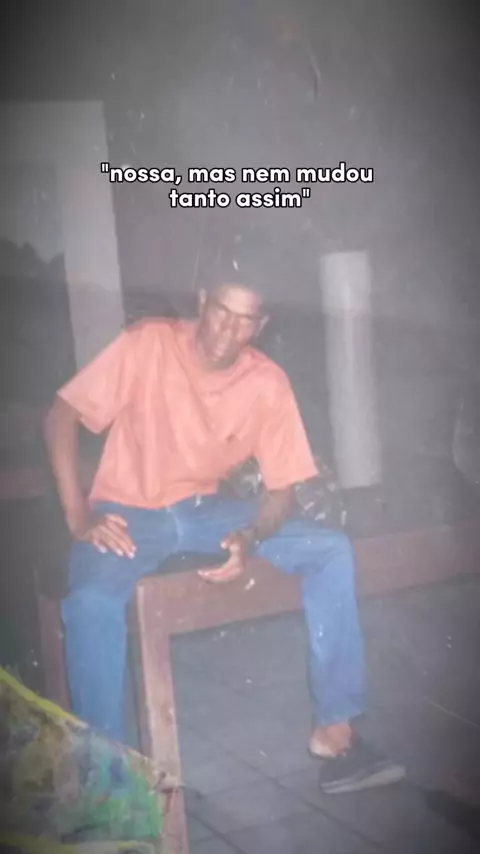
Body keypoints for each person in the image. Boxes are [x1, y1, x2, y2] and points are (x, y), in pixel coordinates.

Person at [44, 280, 405, 794]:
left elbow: (281, 490)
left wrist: (250, 536)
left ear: (261, 326)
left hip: (204, 510)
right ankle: (105, 785)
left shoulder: (266, 381)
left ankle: (336, 734)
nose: (227, 330)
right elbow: (61, 415)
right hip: (128, 509)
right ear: (202, 302)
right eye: (221, 311)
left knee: (329, 550)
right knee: (92, 603)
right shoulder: (150, 342)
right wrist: (78, 515)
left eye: (244, 320)